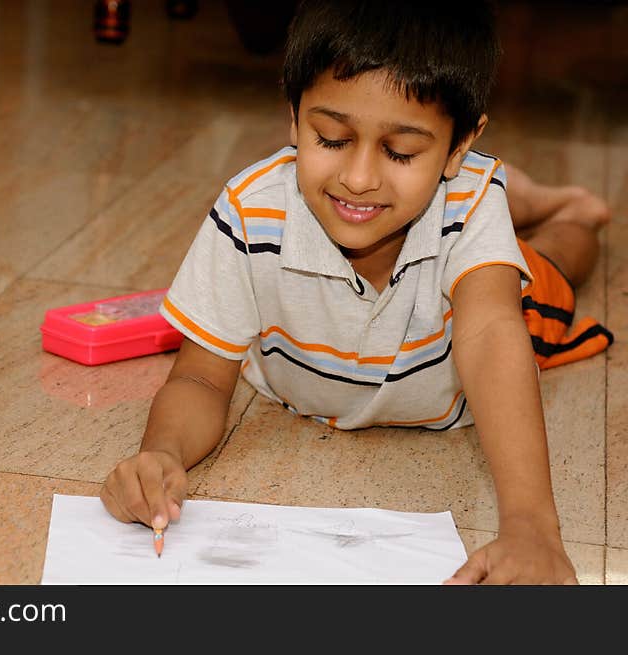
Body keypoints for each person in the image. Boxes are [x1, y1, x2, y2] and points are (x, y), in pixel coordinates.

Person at [100, 0, 613, 584]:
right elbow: (199, 377)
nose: (359, 177)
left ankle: (570, 212)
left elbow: (494, 334)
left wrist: (531, 528)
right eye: (331, 138)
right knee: (456, 202)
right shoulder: (249, 211)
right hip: (441, 202)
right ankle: (512, 189)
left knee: (557, 260)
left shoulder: (468, 210)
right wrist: (162, 453)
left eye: (400, 152)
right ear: (293, 120)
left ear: (458, 146)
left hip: (482, 297)